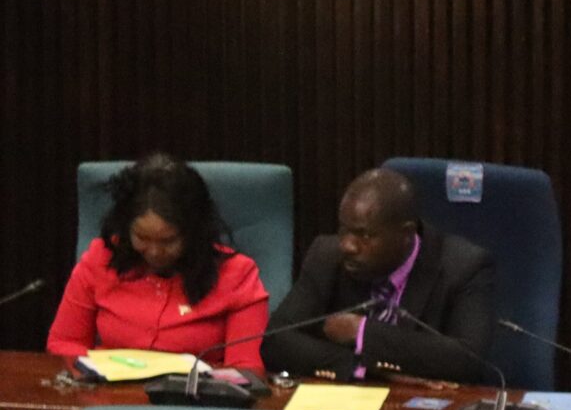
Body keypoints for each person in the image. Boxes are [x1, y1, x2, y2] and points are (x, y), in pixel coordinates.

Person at [265, 167, 496, 383]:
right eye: (344, 229)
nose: (347, 245)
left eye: (364, 235)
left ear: (406, 233)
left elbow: (469, 360)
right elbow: (276, 340)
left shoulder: (463, 267)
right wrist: (359, 366)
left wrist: (362, 332)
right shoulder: (327, 255)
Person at [48, 154, 271, 373]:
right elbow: (64, 343)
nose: (154, 252)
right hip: (109, 400)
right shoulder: (101, 258)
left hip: (193, 403)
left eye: (168, 240)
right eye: (142, 238)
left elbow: (245, 371)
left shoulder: (236, 274)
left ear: (194, 232)